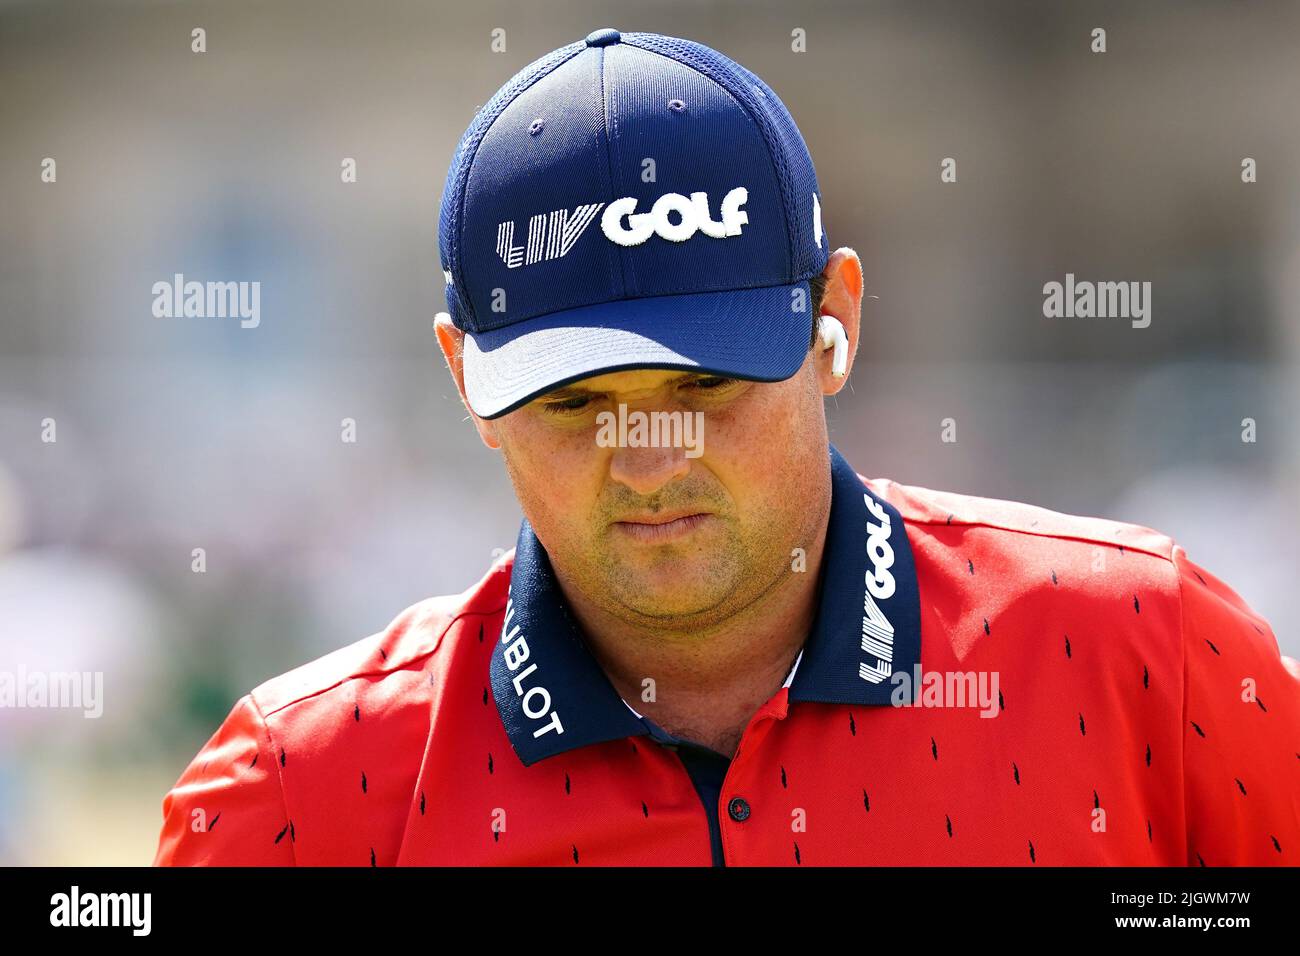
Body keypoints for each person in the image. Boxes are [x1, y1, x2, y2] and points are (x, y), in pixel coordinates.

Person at [153, 28, 1299, 867]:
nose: (648, 457)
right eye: (572, 403)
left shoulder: (1144, 646)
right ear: (466, 378)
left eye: (706, 384)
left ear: (833, 321)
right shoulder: (301, 784)